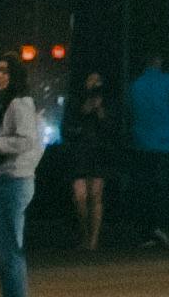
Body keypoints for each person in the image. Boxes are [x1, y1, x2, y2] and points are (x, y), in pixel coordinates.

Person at [0, 59, 49, 297]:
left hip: (14, 179)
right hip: (7, 178)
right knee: (6, 248)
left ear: (15, 75)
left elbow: (26, 140)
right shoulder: (7, 104)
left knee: (10, 249)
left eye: (5, 71)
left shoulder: (19, 104)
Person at [126, 52, 169, 253]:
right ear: (159, 61)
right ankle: (163, 227)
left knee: (146, 188)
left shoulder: (136, 85)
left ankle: (147, 230)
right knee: (165, 187)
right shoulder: (168, 82)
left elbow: (131, 112)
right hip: (167, 142)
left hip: (142, 143)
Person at [67, 68, 111, 255]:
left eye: (97, 80)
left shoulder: (106, 102)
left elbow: (110, 128)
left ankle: (93, 239)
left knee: (96, 196)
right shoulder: (75, 102)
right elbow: (68, 127)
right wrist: (84, 109)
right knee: (80, 197)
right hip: (79, 152)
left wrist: (100, 110)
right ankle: (84, 234)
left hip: (98, 152)